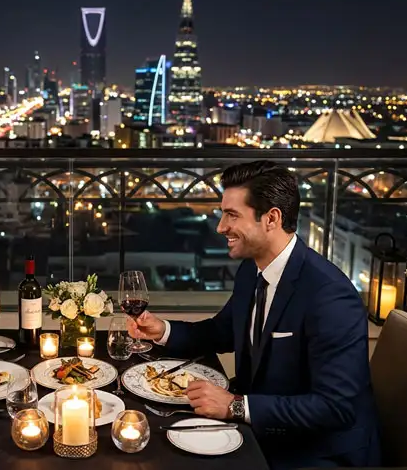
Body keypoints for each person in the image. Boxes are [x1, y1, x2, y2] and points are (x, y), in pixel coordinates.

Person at [128, 161, 381, 469]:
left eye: (232, 214)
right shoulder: (253, 269)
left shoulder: (330, 296)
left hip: (315, 453)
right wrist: (163, 330)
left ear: (271, 218)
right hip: (262, 431)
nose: (221, 226)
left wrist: (236, 406)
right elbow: (221, 332)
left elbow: (335, 407)